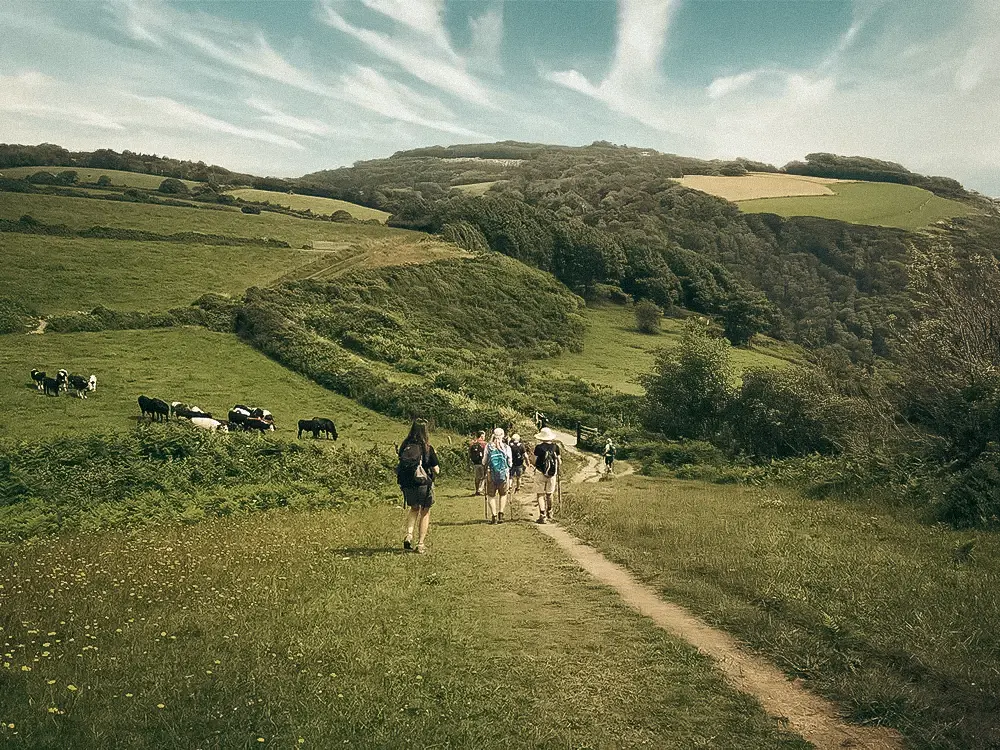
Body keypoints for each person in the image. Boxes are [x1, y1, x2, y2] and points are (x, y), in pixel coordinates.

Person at [397, 420, 440, 554]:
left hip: (407, 484)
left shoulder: (405, 446)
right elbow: (437, 469)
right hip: (423, 484)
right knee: (425, 511)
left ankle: (409, 534)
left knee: (414, 508)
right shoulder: (427, 448)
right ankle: (420, 544)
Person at [533, 427, 561, 523]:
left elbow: (534, 460)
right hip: (552, 474)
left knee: (540, 494)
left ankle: (542, 515)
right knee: (550, 494)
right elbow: (559, 461)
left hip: (540, 472)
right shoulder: (555, 447)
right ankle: (550, 512)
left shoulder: (538, 448)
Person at [484, 427, 513, 524]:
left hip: (491, 474)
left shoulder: (488, 447)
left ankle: (494, 516)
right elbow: (510, 463)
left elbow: (484, 461)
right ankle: (501, 514)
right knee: (503, 494)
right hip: (503, 475)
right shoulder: (506, 447)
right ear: (503, 436)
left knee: (491, 495)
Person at [469, 431, 487, 496]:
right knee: (485, 476)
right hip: (482, 463)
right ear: (482, 436)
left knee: (477, 477)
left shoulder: (472, 443)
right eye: (484, 435)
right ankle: (481, 489)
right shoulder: (484, 444)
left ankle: (477, 491)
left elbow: (470, 453)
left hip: (475, 463)